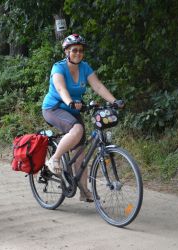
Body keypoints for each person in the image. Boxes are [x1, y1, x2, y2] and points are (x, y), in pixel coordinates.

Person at [42, 34, 124, 202]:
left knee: (80, 153)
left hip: (72, 110)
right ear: (66, 52)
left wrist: (114, 101)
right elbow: (61, 89)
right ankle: (54, 160)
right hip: (54, 108)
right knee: (77, 129)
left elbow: (98, 86)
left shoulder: (85, 68)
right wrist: (70, 101)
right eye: (74, 50)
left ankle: (84, 191)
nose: (78, 53)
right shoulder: (58, 68)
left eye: (81, 51)